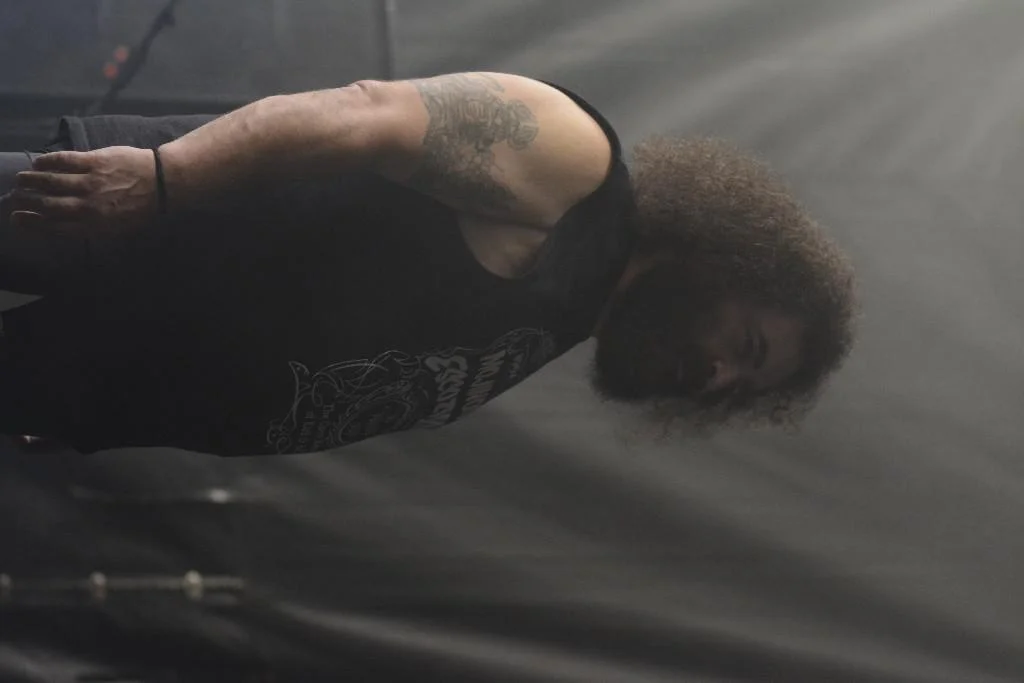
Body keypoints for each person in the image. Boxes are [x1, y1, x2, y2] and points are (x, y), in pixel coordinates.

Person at [0, 71, 856, 456]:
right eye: (745, 345)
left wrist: (96, 419)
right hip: (118, 226)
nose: (714, 375)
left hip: (76, 370)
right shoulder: (575, 169)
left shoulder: (563, 320)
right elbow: (363, 114)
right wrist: (163, 178)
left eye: (737, 388)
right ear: (726, 259)